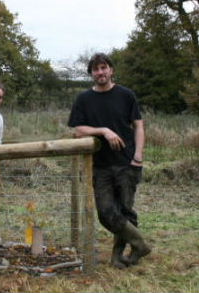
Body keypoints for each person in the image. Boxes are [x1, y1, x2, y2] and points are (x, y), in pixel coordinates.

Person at [68, 53, 151, 269]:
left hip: (126, 163)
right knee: (106, 212)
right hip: (100, 165)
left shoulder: (126, 95)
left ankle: (118, 256)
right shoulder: (84, 99)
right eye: (96, 69)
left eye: (104, 68)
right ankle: (140, 244)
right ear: (91, 74)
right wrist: (104, 130)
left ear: (111, 70)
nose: (100, 72)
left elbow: (138, 125)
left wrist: (138, 155)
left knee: (125, 210)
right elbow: (78, 130)